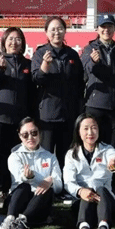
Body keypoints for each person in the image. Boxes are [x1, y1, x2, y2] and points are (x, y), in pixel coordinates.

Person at [0, 27, 35, 209]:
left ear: (23, 43)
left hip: (20, 119)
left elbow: (32, 93)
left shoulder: (28, 64)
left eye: (18, 39)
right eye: (10, 39)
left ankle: (16, 188)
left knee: (18, 155)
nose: (14, 42)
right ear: (4, 42)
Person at [0, 117, 62, 229]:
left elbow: (59, 186)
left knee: (48, 189)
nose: (30, 138)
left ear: (40, 133)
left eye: (34, 133)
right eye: (25, 135)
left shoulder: (50, 157)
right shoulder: (15, 156)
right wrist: (32, 177)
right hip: (19, 202)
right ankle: (9, 221)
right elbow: (20, 177)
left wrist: (51, 181)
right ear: (20, 136)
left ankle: (20, 223)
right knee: (24, 185)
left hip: (40, 204)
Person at [31, 16, 85, 168]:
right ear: (46, 33)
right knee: (45, 156)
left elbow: (80, 82)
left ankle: (64, 182)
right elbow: (36, 79)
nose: (57, 32)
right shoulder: (40, 53)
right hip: (47, 115)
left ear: (65, 31)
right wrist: (44, 67)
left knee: (66, 157)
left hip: (68, 114)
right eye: (53, 29)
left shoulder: (72, 54)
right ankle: (46, 182)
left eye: (60, 29)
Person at [63, 113, 115, 229]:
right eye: (86, 128)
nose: (90, 132)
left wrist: (114, 164)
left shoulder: (108, 150)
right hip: (82, 205)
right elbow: (68, 182)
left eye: (94, 128)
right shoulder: (71, 154)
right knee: (86, 192)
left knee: (100, 188)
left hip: (105, 202)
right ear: (78, 131)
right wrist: (80, 191)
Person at [82, 12, 115, 150]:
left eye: (110, 26)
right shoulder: (90, 48)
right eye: (103, 27)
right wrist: (94, 62)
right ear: (97, 29)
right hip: (95, 106)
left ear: (114, 28)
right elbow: (86, 70)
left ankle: (110, 167)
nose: (106, 30)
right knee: (92, 146)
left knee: (111, 148)